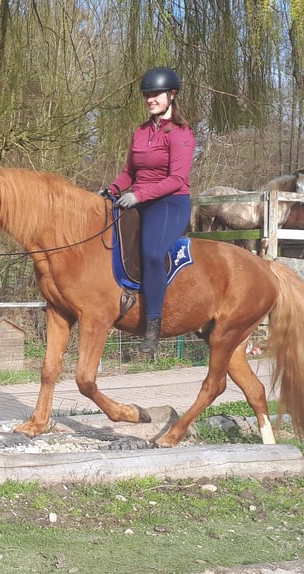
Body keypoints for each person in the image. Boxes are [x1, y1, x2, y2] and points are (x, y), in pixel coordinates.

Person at [99, 66, 195, 358]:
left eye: (155, 94)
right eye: (147, 95)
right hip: (136, 199)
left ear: (171, 95)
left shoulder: (181, 134)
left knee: (152, 253)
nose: (150, 99)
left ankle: (152, 327)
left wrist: (138, 194)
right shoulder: (141, 132)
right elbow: (129, 172)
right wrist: (113, 190)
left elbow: (177, 179)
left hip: (169, 203)